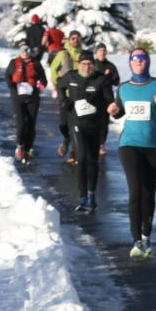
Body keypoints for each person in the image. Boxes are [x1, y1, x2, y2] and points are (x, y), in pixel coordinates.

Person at [106, 47, 156, 259]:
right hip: (129, 145)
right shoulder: (124, 88)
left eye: (142, 58)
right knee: (136, 191)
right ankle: (136, 239)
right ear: (130, 63)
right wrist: (114, 111)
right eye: (134, 58)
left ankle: (147, 234)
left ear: (147, 62)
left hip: (154, 146)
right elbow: (120, 112)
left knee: (149, 194)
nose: (138, 61)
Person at [58, 52, 113, 212]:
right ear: (78, 64)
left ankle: (92, 194)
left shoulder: (101, 79)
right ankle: (82, 198)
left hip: (95, 124)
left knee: (92, 161)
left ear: (93, 65)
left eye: (89, 64)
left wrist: (103, 105)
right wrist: (64, 100)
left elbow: (109, 100)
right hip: (76, 123)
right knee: (81, 158)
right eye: (83, 64)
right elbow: (60, 84)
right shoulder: (71, 77)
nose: (86, 67)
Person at [4, 39, 47, 164]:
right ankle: (19, 146)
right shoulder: (13, 63)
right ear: (20, 51)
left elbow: (44, 80)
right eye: (23, 50)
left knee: (31, 124)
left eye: (27, 50)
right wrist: (11, 85)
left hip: (33, 98)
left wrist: (40, 84)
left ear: (30, 51)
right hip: (18, 98)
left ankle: (28, 148)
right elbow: (7, 75)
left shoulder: (36, 64)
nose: (25, 52)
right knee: (21, 123)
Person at [49, 30, 84, 163]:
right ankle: (66, 139)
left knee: (77, 124)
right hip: (65, 94)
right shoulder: (63, 54)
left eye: (78, 38)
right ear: (69, 40)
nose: (76, 41)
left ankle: (74, 152)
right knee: (63, 124)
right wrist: (58, 84)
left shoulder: (83, 54)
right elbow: (53, 70)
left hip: (80, 94)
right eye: (73, 38)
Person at [93, 43, 120, 157]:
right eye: (100, 50)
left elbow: (116, 81)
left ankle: (101, 144)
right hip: (93, 96)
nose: (102, 52)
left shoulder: (111, 66)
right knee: (92, 120)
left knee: (104, 122)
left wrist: (109, 77)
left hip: (106, 98)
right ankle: (91, 142)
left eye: (104, 50)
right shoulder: (92, 64)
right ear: (96, 52)